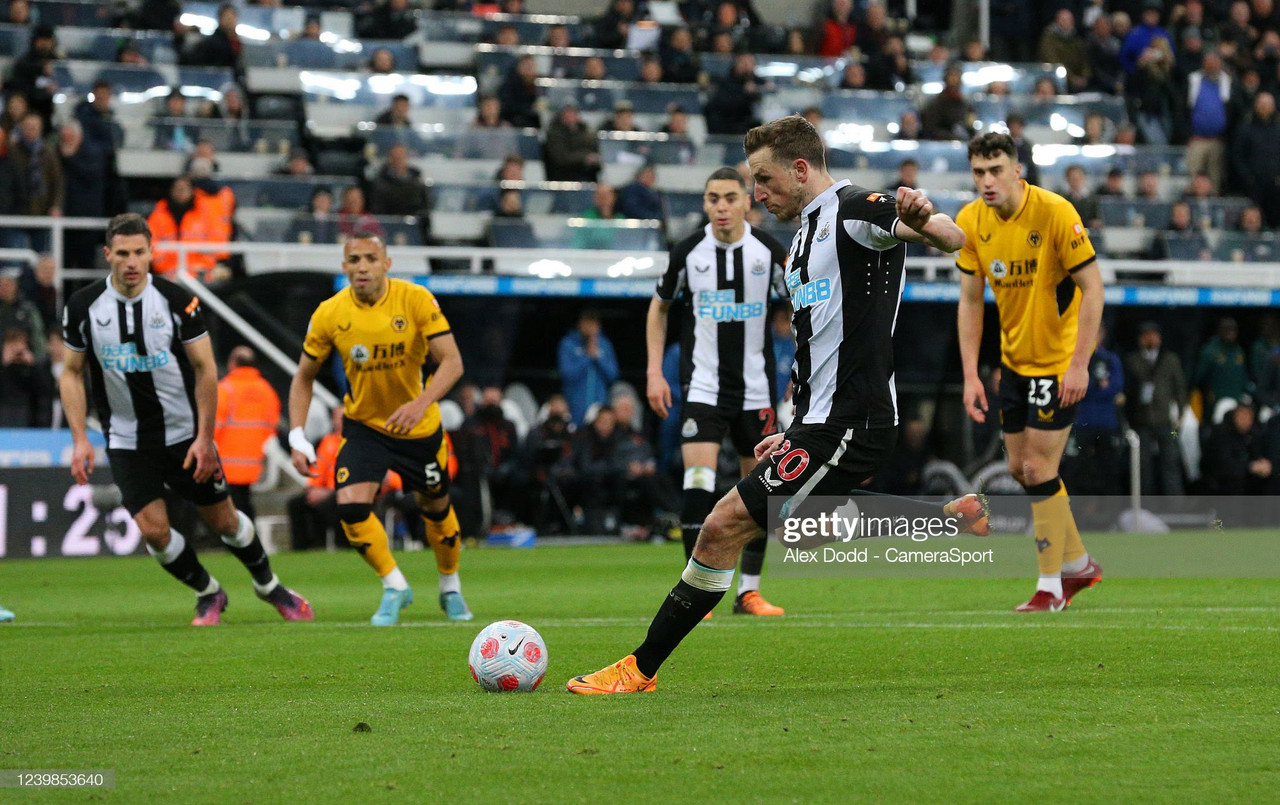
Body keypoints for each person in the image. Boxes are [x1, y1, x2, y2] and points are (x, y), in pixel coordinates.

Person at [567, 115, 975, 694]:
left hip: (850, 422)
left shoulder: (857, 210)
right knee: (799, 533)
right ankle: (940, 518)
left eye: (762, 179)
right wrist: (793, 427)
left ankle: (639, 668)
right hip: (818, 422)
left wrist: (921, 219)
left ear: (801, 169)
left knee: (721, 524)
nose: (757, 193)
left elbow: (950, 235)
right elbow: (816, 345)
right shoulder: (802, 234)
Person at [59, 214, 311, 625]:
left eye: (139, 252)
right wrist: (79, 439)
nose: (131, 262)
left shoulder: (177, 302)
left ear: (151, 252)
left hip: (184, 436)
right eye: (122, 253)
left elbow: (206, 368)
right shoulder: (84, 306)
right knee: (154, 532)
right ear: (108, 255)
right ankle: (208, 592)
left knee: (224, 521)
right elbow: (70, 373)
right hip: (126, 439)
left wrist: (204, 437)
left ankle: (269, 585)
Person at [287, 231, 472, 625]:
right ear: (344, 267)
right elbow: (303, 377)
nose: (363, 267)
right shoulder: (330, 313)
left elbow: (452, 362)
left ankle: (450, 586)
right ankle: (394, 585)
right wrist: (297, 435)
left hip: (419, 428)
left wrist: (419, 403)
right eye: (354, 260)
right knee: (351, 505)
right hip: (365, 425)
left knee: (435, 509)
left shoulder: (415, 299)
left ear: (387, 264)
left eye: (371, 258)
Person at [955, 132, 1106, 613]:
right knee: (1024, 472)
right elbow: (971, 300)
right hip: (1013, 364)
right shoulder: (971, 221)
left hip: (1059, 362)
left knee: (1039, 468)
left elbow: (1094, 289)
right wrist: (970, 375)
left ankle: (1051, 585)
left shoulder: (1056, 212)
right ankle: (1079, 562)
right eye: (979, 171)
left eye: (996, 169)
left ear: (1017, 170)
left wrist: (1080, 362)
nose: (987, 181)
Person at [646, 165, 790, 616]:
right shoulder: (689, 250)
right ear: (705, 203)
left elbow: (804, 311)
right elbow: (659, 307)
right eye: (713, 199)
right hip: (704, 386)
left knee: (762, 489)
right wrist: (654, 371)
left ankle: (748, 592)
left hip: (756, 389)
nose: (721, 207)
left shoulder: (769, 251)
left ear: (747, 200)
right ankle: (698, 593)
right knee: (698, 480)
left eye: (730, 198)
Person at [215, 346, 280, 522]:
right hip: (252, 461)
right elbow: (272, 424)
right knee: (244, 503)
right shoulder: (266, 390)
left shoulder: (225, 389)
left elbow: (214, 426)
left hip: (225, 461)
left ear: (232, 363)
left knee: (229, 505)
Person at [1124, 321, 1186, 496]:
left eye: (1154, 334)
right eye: (1146, 335)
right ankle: (1144, 505)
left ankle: (1175, 505)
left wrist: (1180, 412)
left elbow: (1180, 387)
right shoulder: (1132, 360)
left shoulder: (1170, 359)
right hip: (1141, 420)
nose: (1150, 338)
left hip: (1167, 421)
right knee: (1142, 464)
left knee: (1171, 460)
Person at [287, 405, 344, 550]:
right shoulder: (328, 441)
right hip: (325, 490)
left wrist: (328, 492)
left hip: (343, 491)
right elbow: (318, 467)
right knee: (296, 503)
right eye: (336, 417)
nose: (339, 421)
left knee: (330, 504)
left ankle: (335, 546)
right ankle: (300, 549)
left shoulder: (356, 443)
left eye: (342, 417)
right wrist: (313, 488)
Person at [558, 309, 619, 426]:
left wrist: (598, 357)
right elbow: (567, 374)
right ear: (580, 324)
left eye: (593, 324)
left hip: (599, 405)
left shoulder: (605, 345)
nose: (590, 327)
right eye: (587, 323)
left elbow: (613, 375)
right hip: (574, 404)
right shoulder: (568, 344)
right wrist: (587, 357)